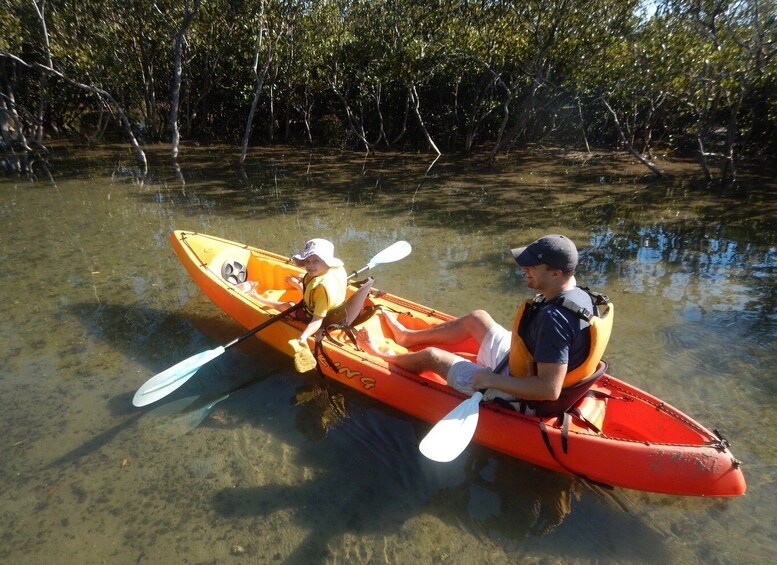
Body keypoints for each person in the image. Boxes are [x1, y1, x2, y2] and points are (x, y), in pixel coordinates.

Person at [357, 234, 610, 406]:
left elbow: (549, 390)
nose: (524, 269)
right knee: (477, 318)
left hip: (523, 394)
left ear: (556, 274)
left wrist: (490, 380)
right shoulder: (579, 294)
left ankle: (380, 357)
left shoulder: (555, 319)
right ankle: (407, 337)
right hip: (518, 363)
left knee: (431, 357)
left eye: (533, 266)